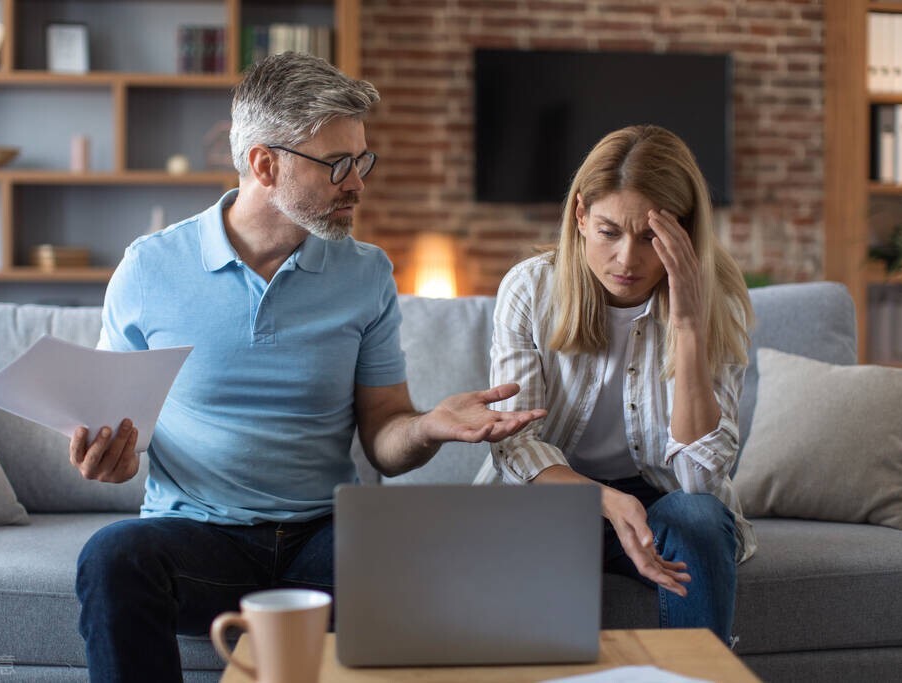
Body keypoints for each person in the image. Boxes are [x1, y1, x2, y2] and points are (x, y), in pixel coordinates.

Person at [69, 52, 545, 683]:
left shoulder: (365, 272)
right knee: (111, 557)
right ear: (265, 166)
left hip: (325, 538)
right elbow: (116, 423)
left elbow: (384, 436)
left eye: (362, 160)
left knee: (429, 553)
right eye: (337, 165)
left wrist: (428, 425)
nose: (358, 182)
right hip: (200, 538)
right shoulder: (150, 269)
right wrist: (116, 457)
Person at [474, 124, 756, 645]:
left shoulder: (721, 305)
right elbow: (514, 443)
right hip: (554, 498)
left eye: (651, 237)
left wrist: (690, 325)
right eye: (608, 232)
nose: (628, 260)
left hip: (663, 500)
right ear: (580, 216)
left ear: (685, 232)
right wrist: (600, 498)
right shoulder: (530, 288)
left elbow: (698, 480)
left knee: (697, 517)